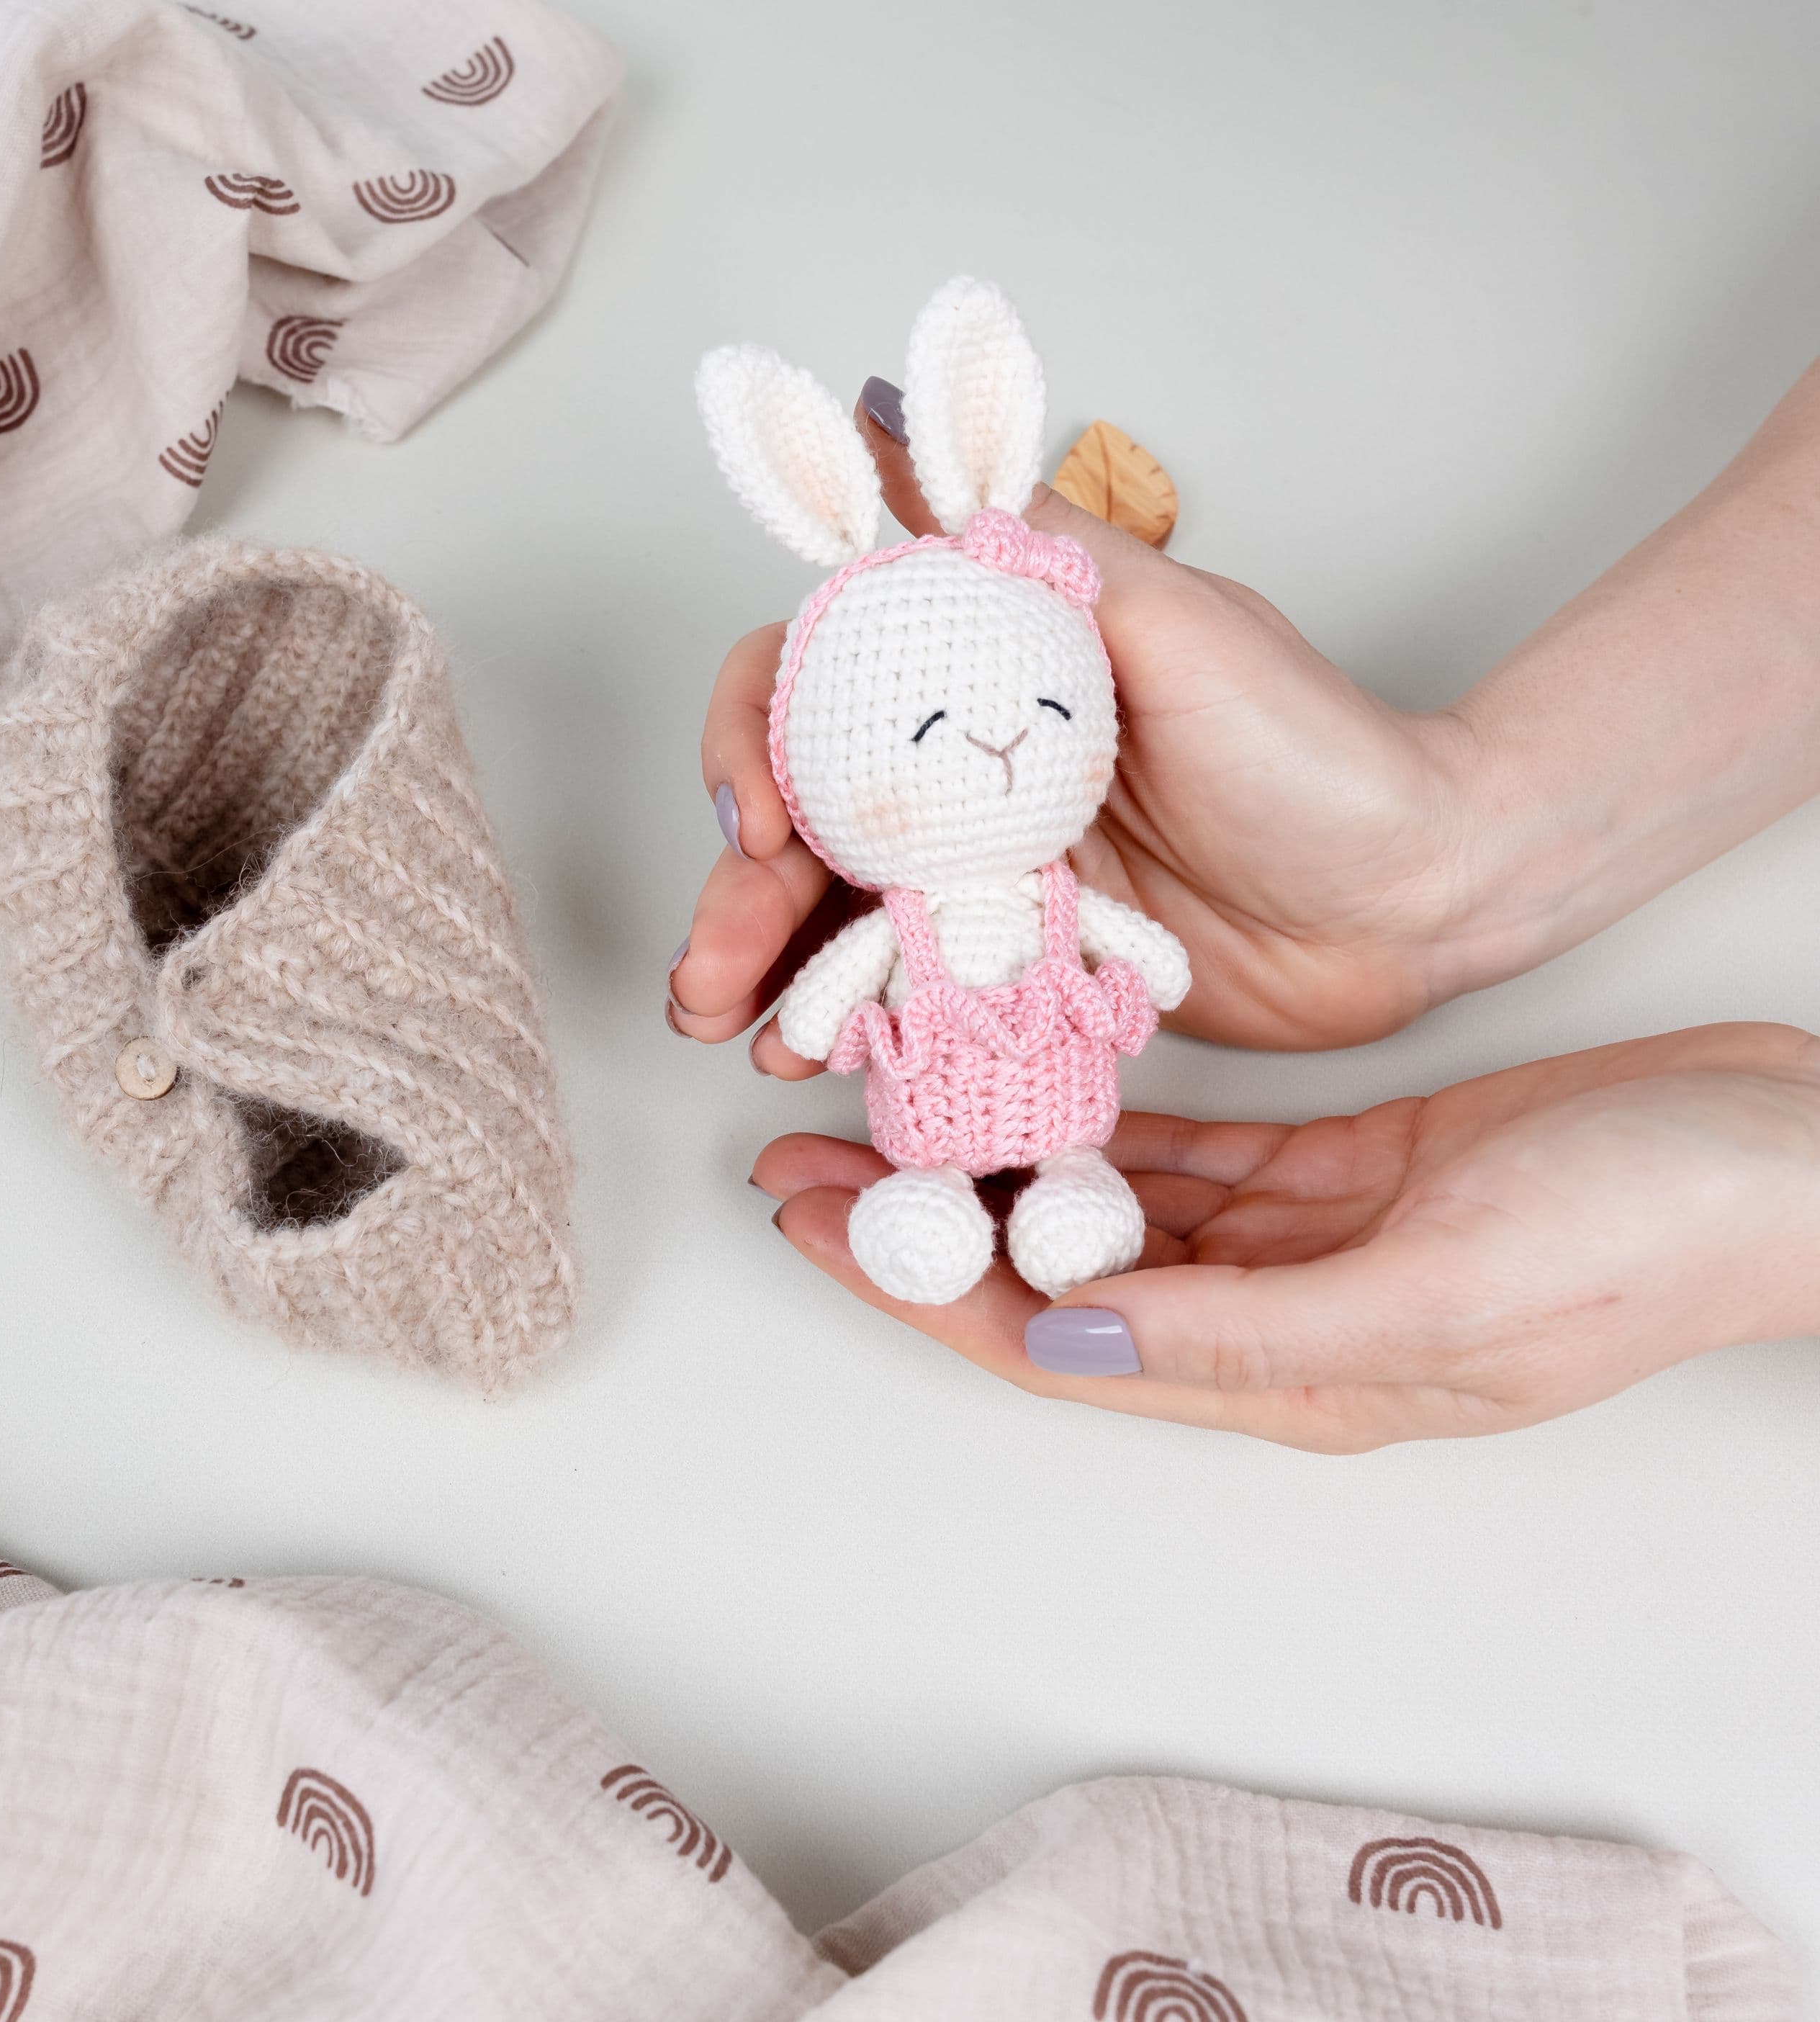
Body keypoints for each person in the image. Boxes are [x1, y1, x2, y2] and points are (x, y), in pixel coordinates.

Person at [667, 366, 1820, 1448]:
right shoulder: (914, 922)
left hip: (1065, 1112)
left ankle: (1069, 1192)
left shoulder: (1061, 898)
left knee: (1071, 1189)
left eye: (1048, 711)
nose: (1002, 742)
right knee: (929, 1202)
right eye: (925, 732)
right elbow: (826, 1006)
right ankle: (934, 1204)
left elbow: (1139, 959)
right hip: (933, 1121)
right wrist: (1446, 863)